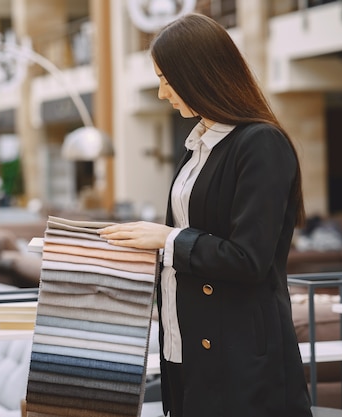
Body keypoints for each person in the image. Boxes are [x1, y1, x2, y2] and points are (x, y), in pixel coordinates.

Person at [98, 13, 313, 417]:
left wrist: (165, 239)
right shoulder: (197, 147)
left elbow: (249, 259)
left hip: (239, 355)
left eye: (166, 79)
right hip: (184, 346)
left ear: (197, 74)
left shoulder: (260, 143)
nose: (162, 93)